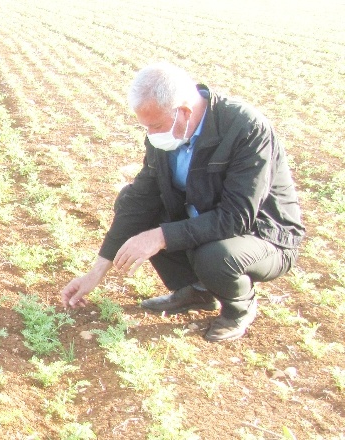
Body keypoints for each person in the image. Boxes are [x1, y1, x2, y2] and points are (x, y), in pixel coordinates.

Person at [60, 62, 304, 342]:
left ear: (184, 112)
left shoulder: (246, 128)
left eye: (155, 126)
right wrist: (95, 273)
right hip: (207, 222)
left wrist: (161, 236)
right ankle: (199, 291)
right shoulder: (168, 134)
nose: (151, 136)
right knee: (130, 200)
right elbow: (141, 200)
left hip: (263, 238)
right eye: (146, 127)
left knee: (214, 255)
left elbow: (237, 217)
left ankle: (239, 308)